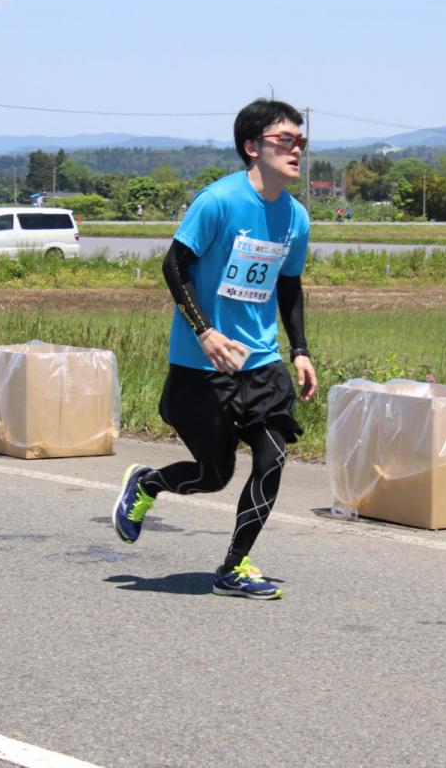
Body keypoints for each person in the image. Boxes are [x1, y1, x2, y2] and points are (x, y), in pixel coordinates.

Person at [112, 98, 317, 600]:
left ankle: (233, 567)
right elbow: (174, 266)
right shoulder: (219, 201)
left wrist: (300, 351)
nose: (296, 149)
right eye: (284, 140)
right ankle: (148, 484)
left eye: (301, 141)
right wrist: (204, 331)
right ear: (252, 147)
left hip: (261, 363)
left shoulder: (296, 217)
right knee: (213, 475)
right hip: (201, 366)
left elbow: (288, 286)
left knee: (271, 460)